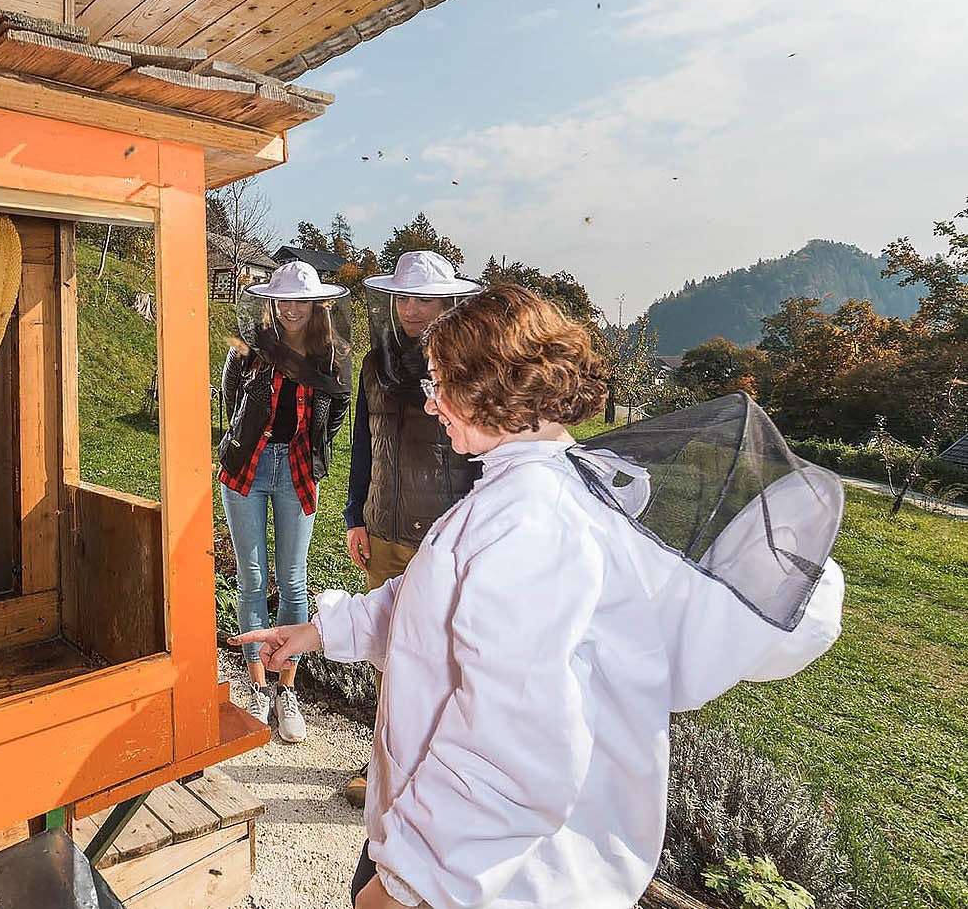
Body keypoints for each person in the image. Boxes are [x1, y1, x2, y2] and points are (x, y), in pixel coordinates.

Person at [233, 284, 845, 908]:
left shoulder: (531, 524)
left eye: (441, 382)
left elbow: (514, 745)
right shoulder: (536, 488)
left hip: (492, 874)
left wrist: (412, 884)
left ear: (491, 385)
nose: (431, 400)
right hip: (456, 838)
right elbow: (438, 604)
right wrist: (325, 630)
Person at [340, 250, 482, 807]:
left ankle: (437, 773)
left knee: (442, 657)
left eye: (425, 298)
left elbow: (480, 453)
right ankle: (384, 763)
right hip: (383, 530)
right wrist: (356, 514)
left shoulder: (467, 369)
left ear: (450, 303)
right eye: (404, 297)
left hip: (442, 537)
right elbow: (362, 444)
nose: (413, 309)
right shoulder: (376, 366)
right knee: (386, 652)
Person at [219, 261, 352, 743]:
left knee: (294, 581)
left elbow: (336, 409)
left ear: (318, 306)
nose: (292, 308)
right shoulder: (250, 348)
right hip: (247, 469)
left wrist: (311, 450)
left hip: (296, 471)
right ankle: (257, 686)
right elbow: (229, 406)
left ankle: (285, 689)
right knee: (252, 577)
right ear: (272, 302)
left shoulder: (333, 355)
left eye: (302, 300)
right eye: (284, 299)